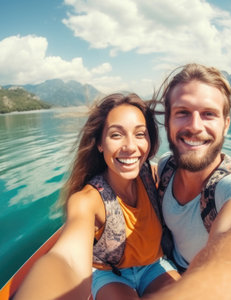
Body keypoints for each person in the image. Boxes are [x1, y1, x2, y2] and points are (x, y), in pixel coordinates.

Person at [14, 93, 180, 300]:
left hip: (153, 266)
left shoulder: (153, 176)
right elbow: (67, 259)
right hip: (111, 275)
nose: (130, 147)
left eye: (140, 134)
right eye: (116, 135)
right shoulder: (87, 200)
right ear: (100, 144)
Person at [142, 63, 231, 299]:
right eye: (182, 112)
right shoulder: (166, 166)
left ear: (226, 124)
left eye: (209, 114)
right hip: (163, 266)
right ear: (168, 122)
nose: (195, 126)